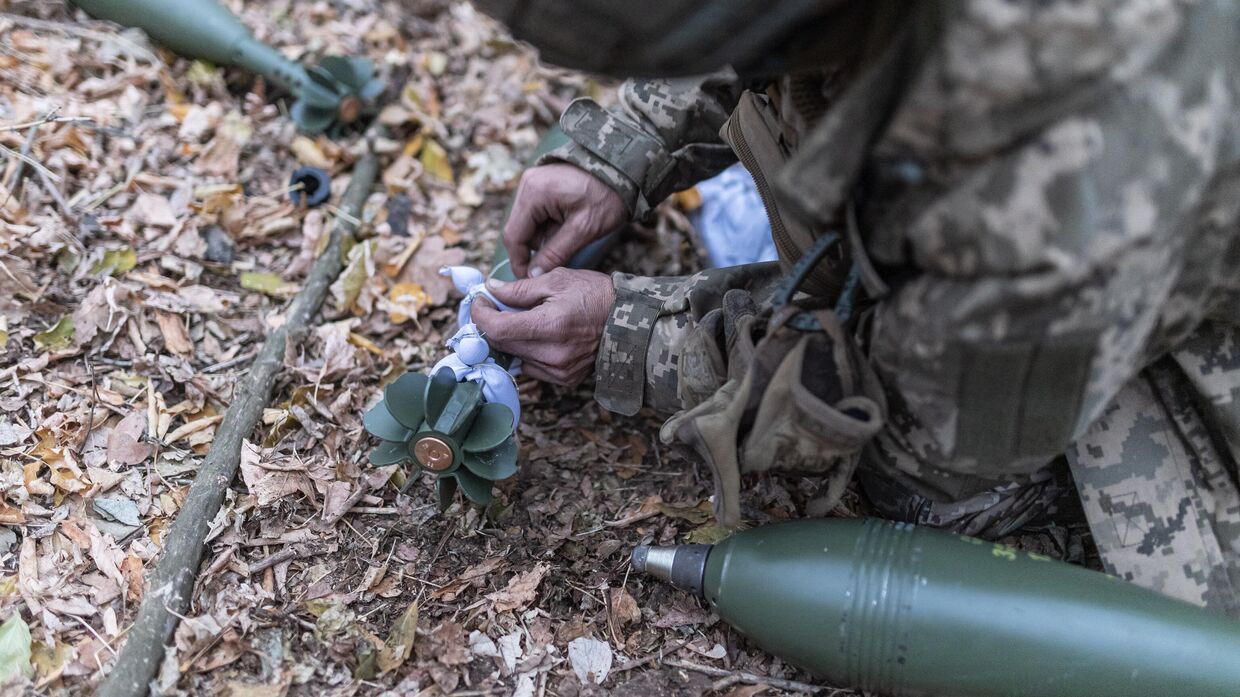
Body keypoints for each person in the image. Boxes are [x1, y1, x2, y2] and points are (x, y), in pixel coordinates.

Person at [463, 0, 1240, 616]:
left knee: (930, 493)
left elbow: (905, 408)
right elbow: (775, 41)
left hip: (1118, 293)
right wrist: (627, 147)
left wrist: (630, 333)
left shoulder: (1054, 168)